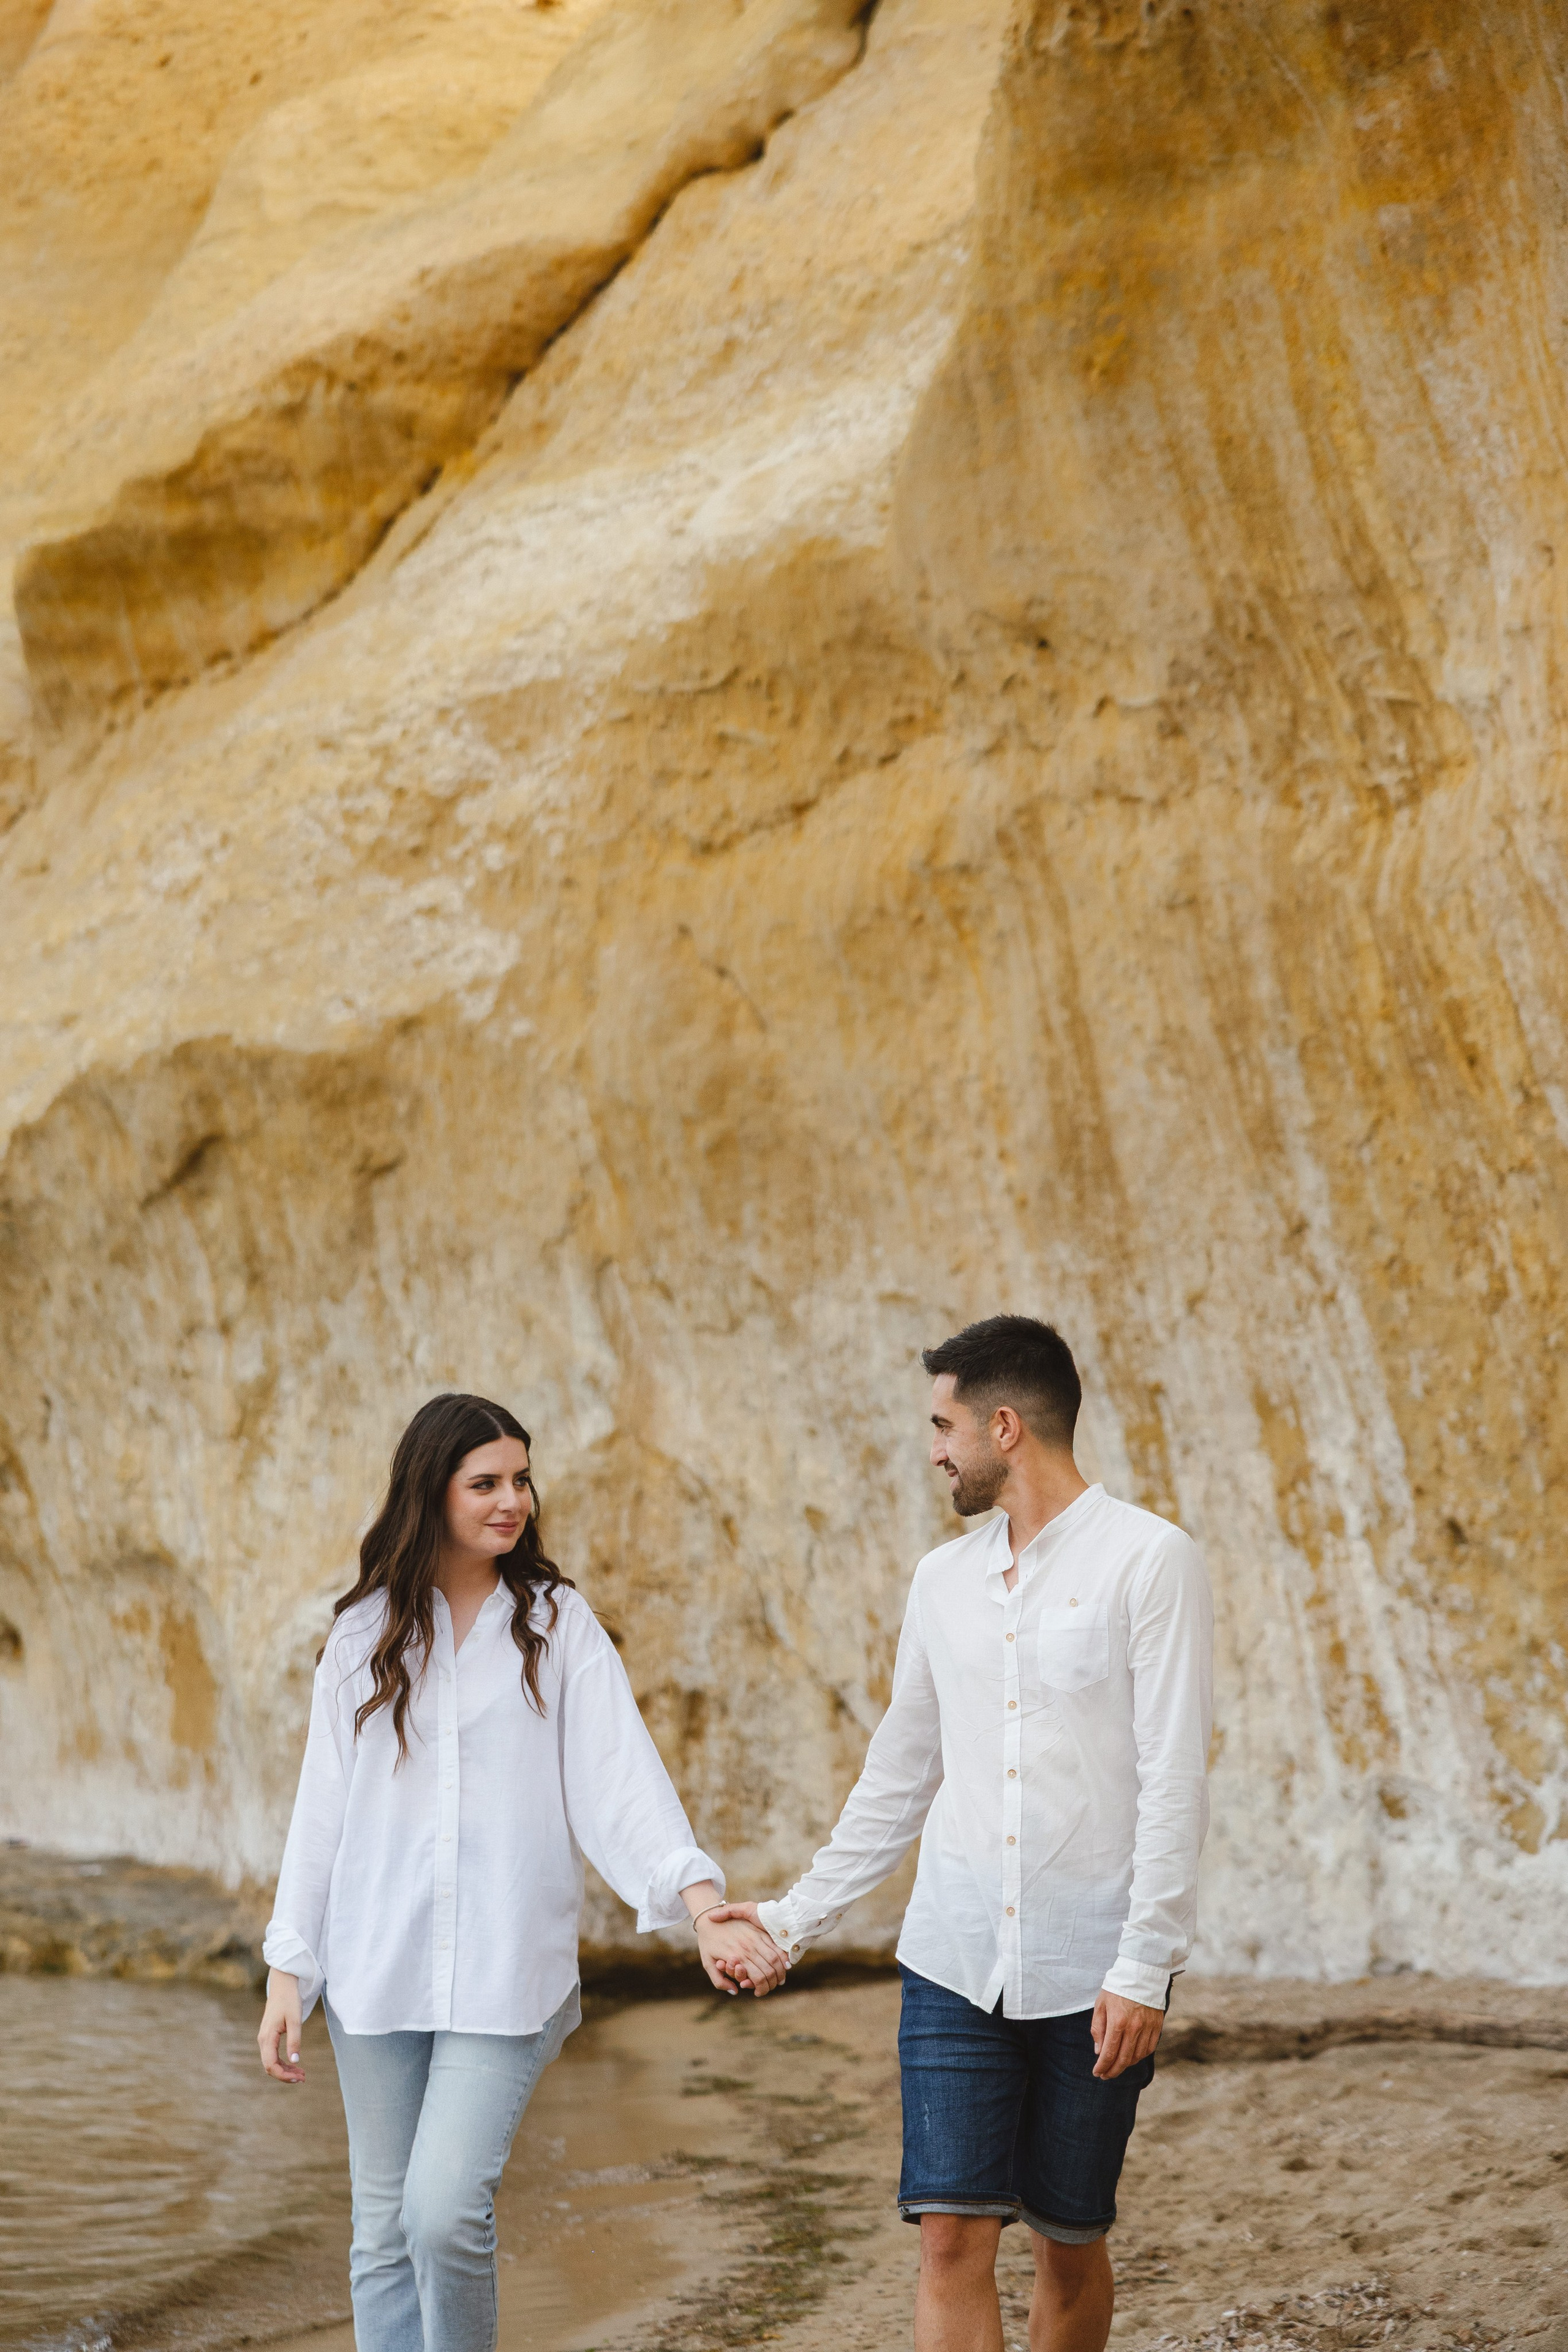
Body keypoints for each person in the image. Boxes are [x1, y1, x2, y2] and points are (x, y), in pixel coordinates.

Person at [711, 1316, 1213, 2352]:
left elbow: (1175, 1779)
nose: (934, 1450)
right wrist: (791, 1920)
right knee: (949, 2240)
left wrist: (1144, 1964)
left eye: (944, 1427)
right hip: (953, 1958)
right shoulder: (942, 1582)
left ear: (1004, 1426)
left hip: (1094, 1968)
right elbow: (899, 1776)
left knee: (1069, 2240)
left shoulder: (1152, 1561)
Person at [257, 1391, 784, 2352]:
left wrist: (703, 1904)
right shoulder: (361, 1636)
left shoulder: (556, 1623)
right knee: (382, 2232)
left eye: (521, 1479)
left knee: (444, 2211)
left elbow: (622, 1782)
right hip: (375, 1968)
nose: (514, 1501)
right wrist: (290, 1970)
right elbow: (320, 1816)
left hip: (506, 1973)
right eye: (486, 1483)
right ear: (432, 1492)